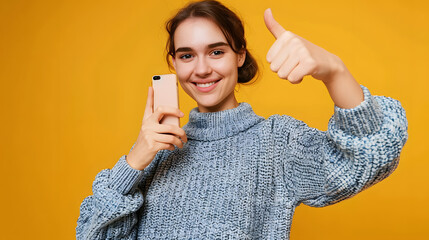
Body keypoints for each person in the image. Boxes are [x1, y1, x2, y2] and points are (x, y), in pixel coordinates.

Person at [76, 0, 408, 239]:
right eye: (186, 55)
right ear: (173, 64)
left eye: (216, 51)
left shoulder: (276, 142)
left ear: (240, 55)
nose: (202, 68)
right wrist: (134, 162)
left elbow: (371, 154)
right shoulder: (157, 148)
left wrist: (334, 70)